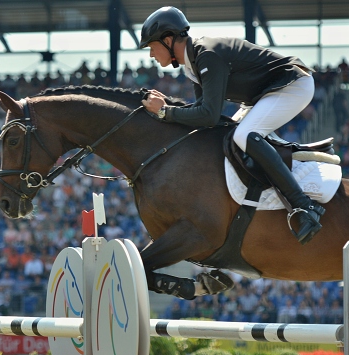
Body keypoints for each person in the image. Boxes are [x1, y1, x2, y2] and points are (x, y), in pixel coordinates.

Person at [138, 6, 323, 244]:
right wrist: (167, 110)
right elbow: (202, 113)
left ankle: (305, 206)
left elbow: (208, 116)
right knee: (225, 139)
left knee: (244, 135)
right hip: (264, 94)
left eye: (152, 47)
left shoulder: (207, 55)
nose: (152, 54)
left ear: (168, 40)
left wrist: (165, 112)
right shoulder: (192, 62)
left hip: (291, 85)